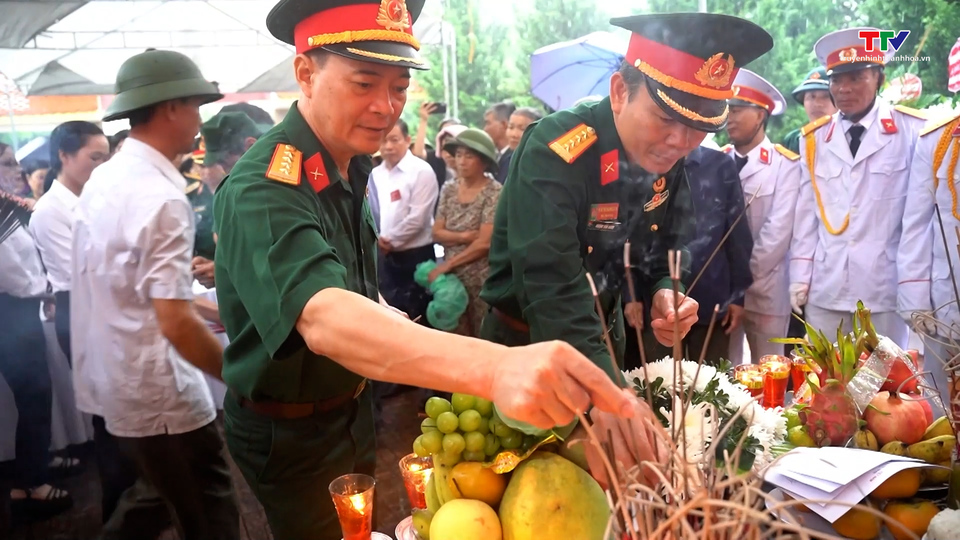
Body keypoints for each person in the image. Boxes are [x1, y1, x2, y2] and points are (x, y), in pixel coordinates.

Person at [212, 1, 639, 538]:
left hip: (351, 406)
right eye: (364, 83)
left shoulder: (347, 160)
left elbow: (354, 287)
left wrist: (401, 325)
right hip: (290, 427)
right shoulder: (268, 185)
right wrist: (495, 369)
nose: (386, 107)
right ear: (305, 73)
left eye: (398, 87)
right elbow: (323, 317)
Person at [480, 11, 772, 477]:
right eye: (664, 118)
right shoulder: (557, 150)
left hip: (605, 349)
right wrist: (610, 393)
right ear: (620, 92)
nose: (680, 141)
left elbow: (667, 242)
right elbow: (553, 287)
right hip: (529, 353)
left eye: (699, 127)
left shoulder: (665, 152)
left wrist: (663, 291)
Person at [72, 49, 239, 540]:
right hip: (158, 387)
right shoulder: (160, 196)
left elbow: (138, 291)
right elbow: (176, 323)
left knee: (157, 497)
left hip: (120, 376)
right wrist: (243, 383)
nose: (199, 121)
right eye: (196, 107)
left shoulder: (107, 178)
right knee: (210, 509)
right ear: (170, 107)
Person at [790, 27, 927, 348]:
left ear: (879, 78)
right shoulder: (813, 139)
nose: (844, 88)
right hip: (827, 287)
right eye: (836, 79)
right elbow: (805, 217)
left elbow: (919, 222)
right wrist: (799, 276)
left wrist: (916, 288)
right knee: (827, 386)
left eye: (856, 77)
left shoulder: (911, 131)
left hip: (884, 289)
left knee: (885, 389)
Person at [625, 144, 754, 367]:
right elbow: (630, 235)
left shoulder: (721, 165)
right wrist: (631, 295)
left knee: (712, 383)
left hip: (712, 297)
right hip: (656, 300)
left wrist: (738, 296)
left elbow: (737, 233)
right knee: (659, 383)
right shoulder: (647, 161)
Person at [723, 69, 801, 364]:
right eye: (727, 109)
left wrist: (742, 279)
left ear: (761, 115)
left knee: (769, 374)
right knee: (725, 378)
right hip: (727, 293)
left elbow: (777, 235)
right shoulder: (720, 160)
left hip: (766, 289)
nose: (729, 117)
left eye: (739, 110)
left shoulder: (786, 166)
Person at [0, 225, 71, 519]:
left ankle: (37, 461)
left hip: (17, 310)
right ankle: (30, 484)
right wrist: (47, 293)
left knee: (35, 393)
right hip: (11, 313)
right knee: (34, 395)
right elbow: (11, 272)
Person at [29, 121, 109, 364]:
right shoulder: (49, 211)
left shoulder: (97, 200)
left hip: (108, 304)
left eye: (106, 159)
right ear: (64, 155)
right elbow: (78, 273)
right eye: (95, 157)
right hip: (80, 312)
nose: (102, 166)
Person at [896, 110, 960, 411]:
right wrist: (915, 298)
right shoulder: (940, 137)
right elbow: (917, 224)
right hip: (945, 300)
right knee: (939, 408)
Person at [431, 128, 503, 336]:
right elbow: (436, 233)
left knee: (483, 334)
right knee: (455, 335)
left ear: (484, 161)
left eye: (469, 156)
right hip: (452, 280)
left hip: (482, 278)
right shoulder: (449, 188)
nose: (461, 161)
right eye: (459, 155)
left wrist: (449, 263)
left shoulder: (494, 191)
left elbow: (484, 243)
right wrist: (465, 236)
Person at [372, 118, 439, 322]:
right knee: (391, 317)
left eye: (394, 139)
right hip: (385, 258)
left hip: (416, 258)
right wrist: (378, 239)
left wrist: (388, 240)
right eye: (383, 140)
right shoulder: (374, 173)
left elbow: (418, 218)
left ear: (407, 139)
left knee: (420, 317)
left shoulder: (421, 171)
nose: (388, 146)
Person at [190, 111, 263, 288]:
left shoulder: (276, 188)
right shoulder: (236, 190)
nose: (223, 169)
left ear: (250, 145)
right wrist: (217, 266)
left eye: (226, 162)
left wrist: (223, 274)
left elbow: (278, 264)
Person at [780, 67, 837, 153]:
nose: (817, 104)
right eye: (811, 97)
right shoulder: (793, 141)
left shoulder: (848, 136)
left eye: (826, 96)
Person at [501, 107, 543, 183]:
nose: (514, 134)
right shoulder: (507, 160)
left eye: (522, 129)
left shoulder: (539, 165)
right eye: (511, 127)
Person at [484, 101, 516, 183]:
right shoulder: (497, 157)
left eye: (488, 123)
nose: (485, 129)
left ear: (504, 124)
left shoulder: (514, 159)